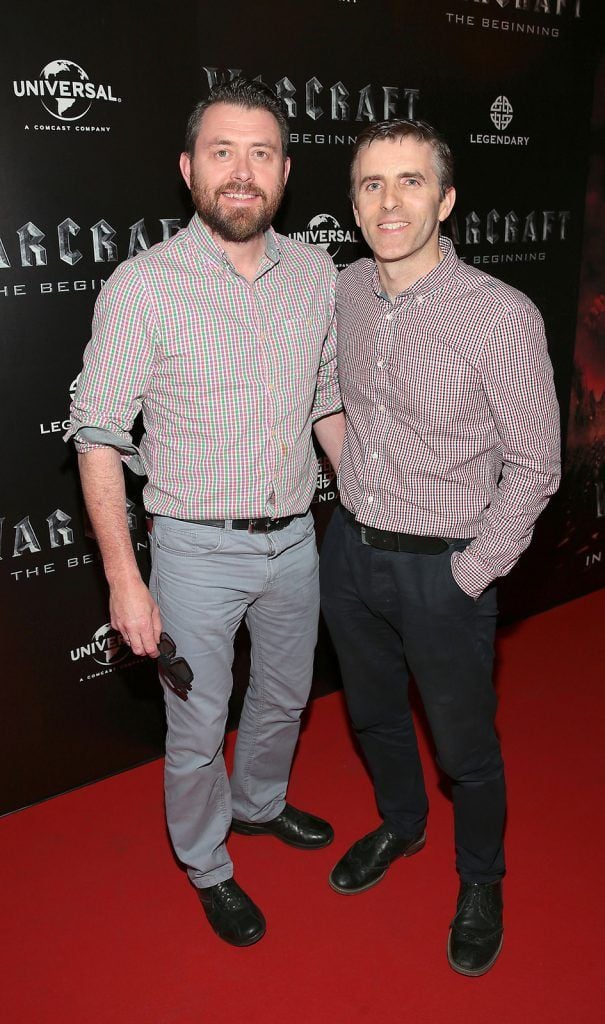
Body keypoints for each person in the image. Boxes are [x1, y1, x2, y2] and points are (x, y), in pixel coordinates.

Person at [66, 78, 345, 948]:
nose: (241, 171)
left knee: (285, 695)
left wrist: (374, 501)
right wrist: (125, 581)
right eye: (222, 151)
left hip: (297, 540)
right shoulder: (143, 285)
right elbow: (97, 435)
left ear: (285, 172)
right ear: (189, 168)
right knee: (196, 726)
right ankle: (207, 862)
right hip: (192, 552)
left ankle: (260, 806)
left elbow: (327, 398)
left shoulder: (314, 273)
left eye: (261, 153)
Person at [320, 119, 560, 976]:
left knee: (464, 747)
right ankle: (400, 823)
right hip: (348, 554)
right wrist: (352, 492)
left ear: (446, 199)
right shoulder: (342, 289)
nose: (389, 201)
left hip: (445, 566)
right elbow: (331, 401)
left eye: (409, 182)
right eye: (371, 185)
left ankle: (481, 878)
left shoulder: (498, 315)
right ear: (353, 204)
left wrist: (468, 571)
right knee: (374, 714)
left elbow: (536, 464)